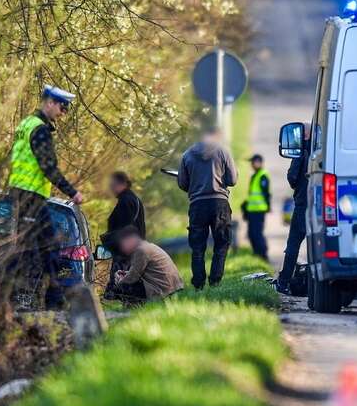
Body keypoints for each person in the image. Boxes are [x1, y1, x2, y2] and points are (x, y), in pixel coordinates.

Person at [6, 85, 85, 311]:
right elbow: (48, 167)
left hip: (20, 195)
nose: (63, 113)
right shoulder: (39, 130)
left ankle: (39, 299)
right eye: (62, 107)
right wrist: (72, 192)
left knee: (33, 250)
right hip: (31, 196)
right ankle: (60, 298)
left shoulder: (24, 125)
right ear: (49, 102)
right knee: (47, 247)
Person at [177, 127, 238, 289]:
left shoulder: (187, 155)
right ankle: (215, 281)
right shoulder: (223, 152)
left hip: (197, 205)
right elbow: (232, 180)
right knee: (222, 243)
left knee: (197, 247)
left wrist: (196, 186)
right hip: (220, 204)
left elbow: (183, 184)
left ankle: (198, 284)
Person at [275, 123, 311, 294]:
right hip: (325, 204)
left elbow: (292, 177)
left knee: (293, 245)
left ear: (305, 136)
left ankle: (284, 282)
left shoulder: (300, 153)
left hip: (303, 204)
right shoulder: (326, 151)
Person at [111, 227, 184, 305]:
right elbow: (140, 271)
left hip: (163, 290)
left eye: (123, 244)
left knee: (124, 286)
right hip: (172, 286)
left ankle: (134, 309)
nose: (123, 249)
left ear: (131, 240)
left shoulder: (141, 251)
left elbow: (133, 277)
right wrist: (126, 274)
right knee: (125, 283)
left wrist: (120, 281)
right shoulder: (147, 246)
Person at [103, 171, 146, 297]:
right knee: (127, 274)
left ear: (121, 184)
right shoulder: (131, 199)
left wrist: (112, 241)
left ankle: (123, 296)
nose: (111, 188)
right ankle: (125, 296)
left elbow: (125, 227)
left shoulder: (126, 201)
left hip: (126, 249)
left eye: (112, 185)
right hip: (131, 247)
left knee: (123, 275)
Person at [242, 153, 271, 260]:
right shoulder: (256, 175)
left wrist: (268, 205)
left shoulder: (262, 175)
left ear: (259, 162)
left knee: (257, 234)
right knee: (251, 234)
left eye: (253, 162)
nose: (251, 165)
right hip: (252, 210)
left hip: (259, 210)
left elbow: (266, 193)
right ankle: (257, 254)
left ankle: (263, 255)